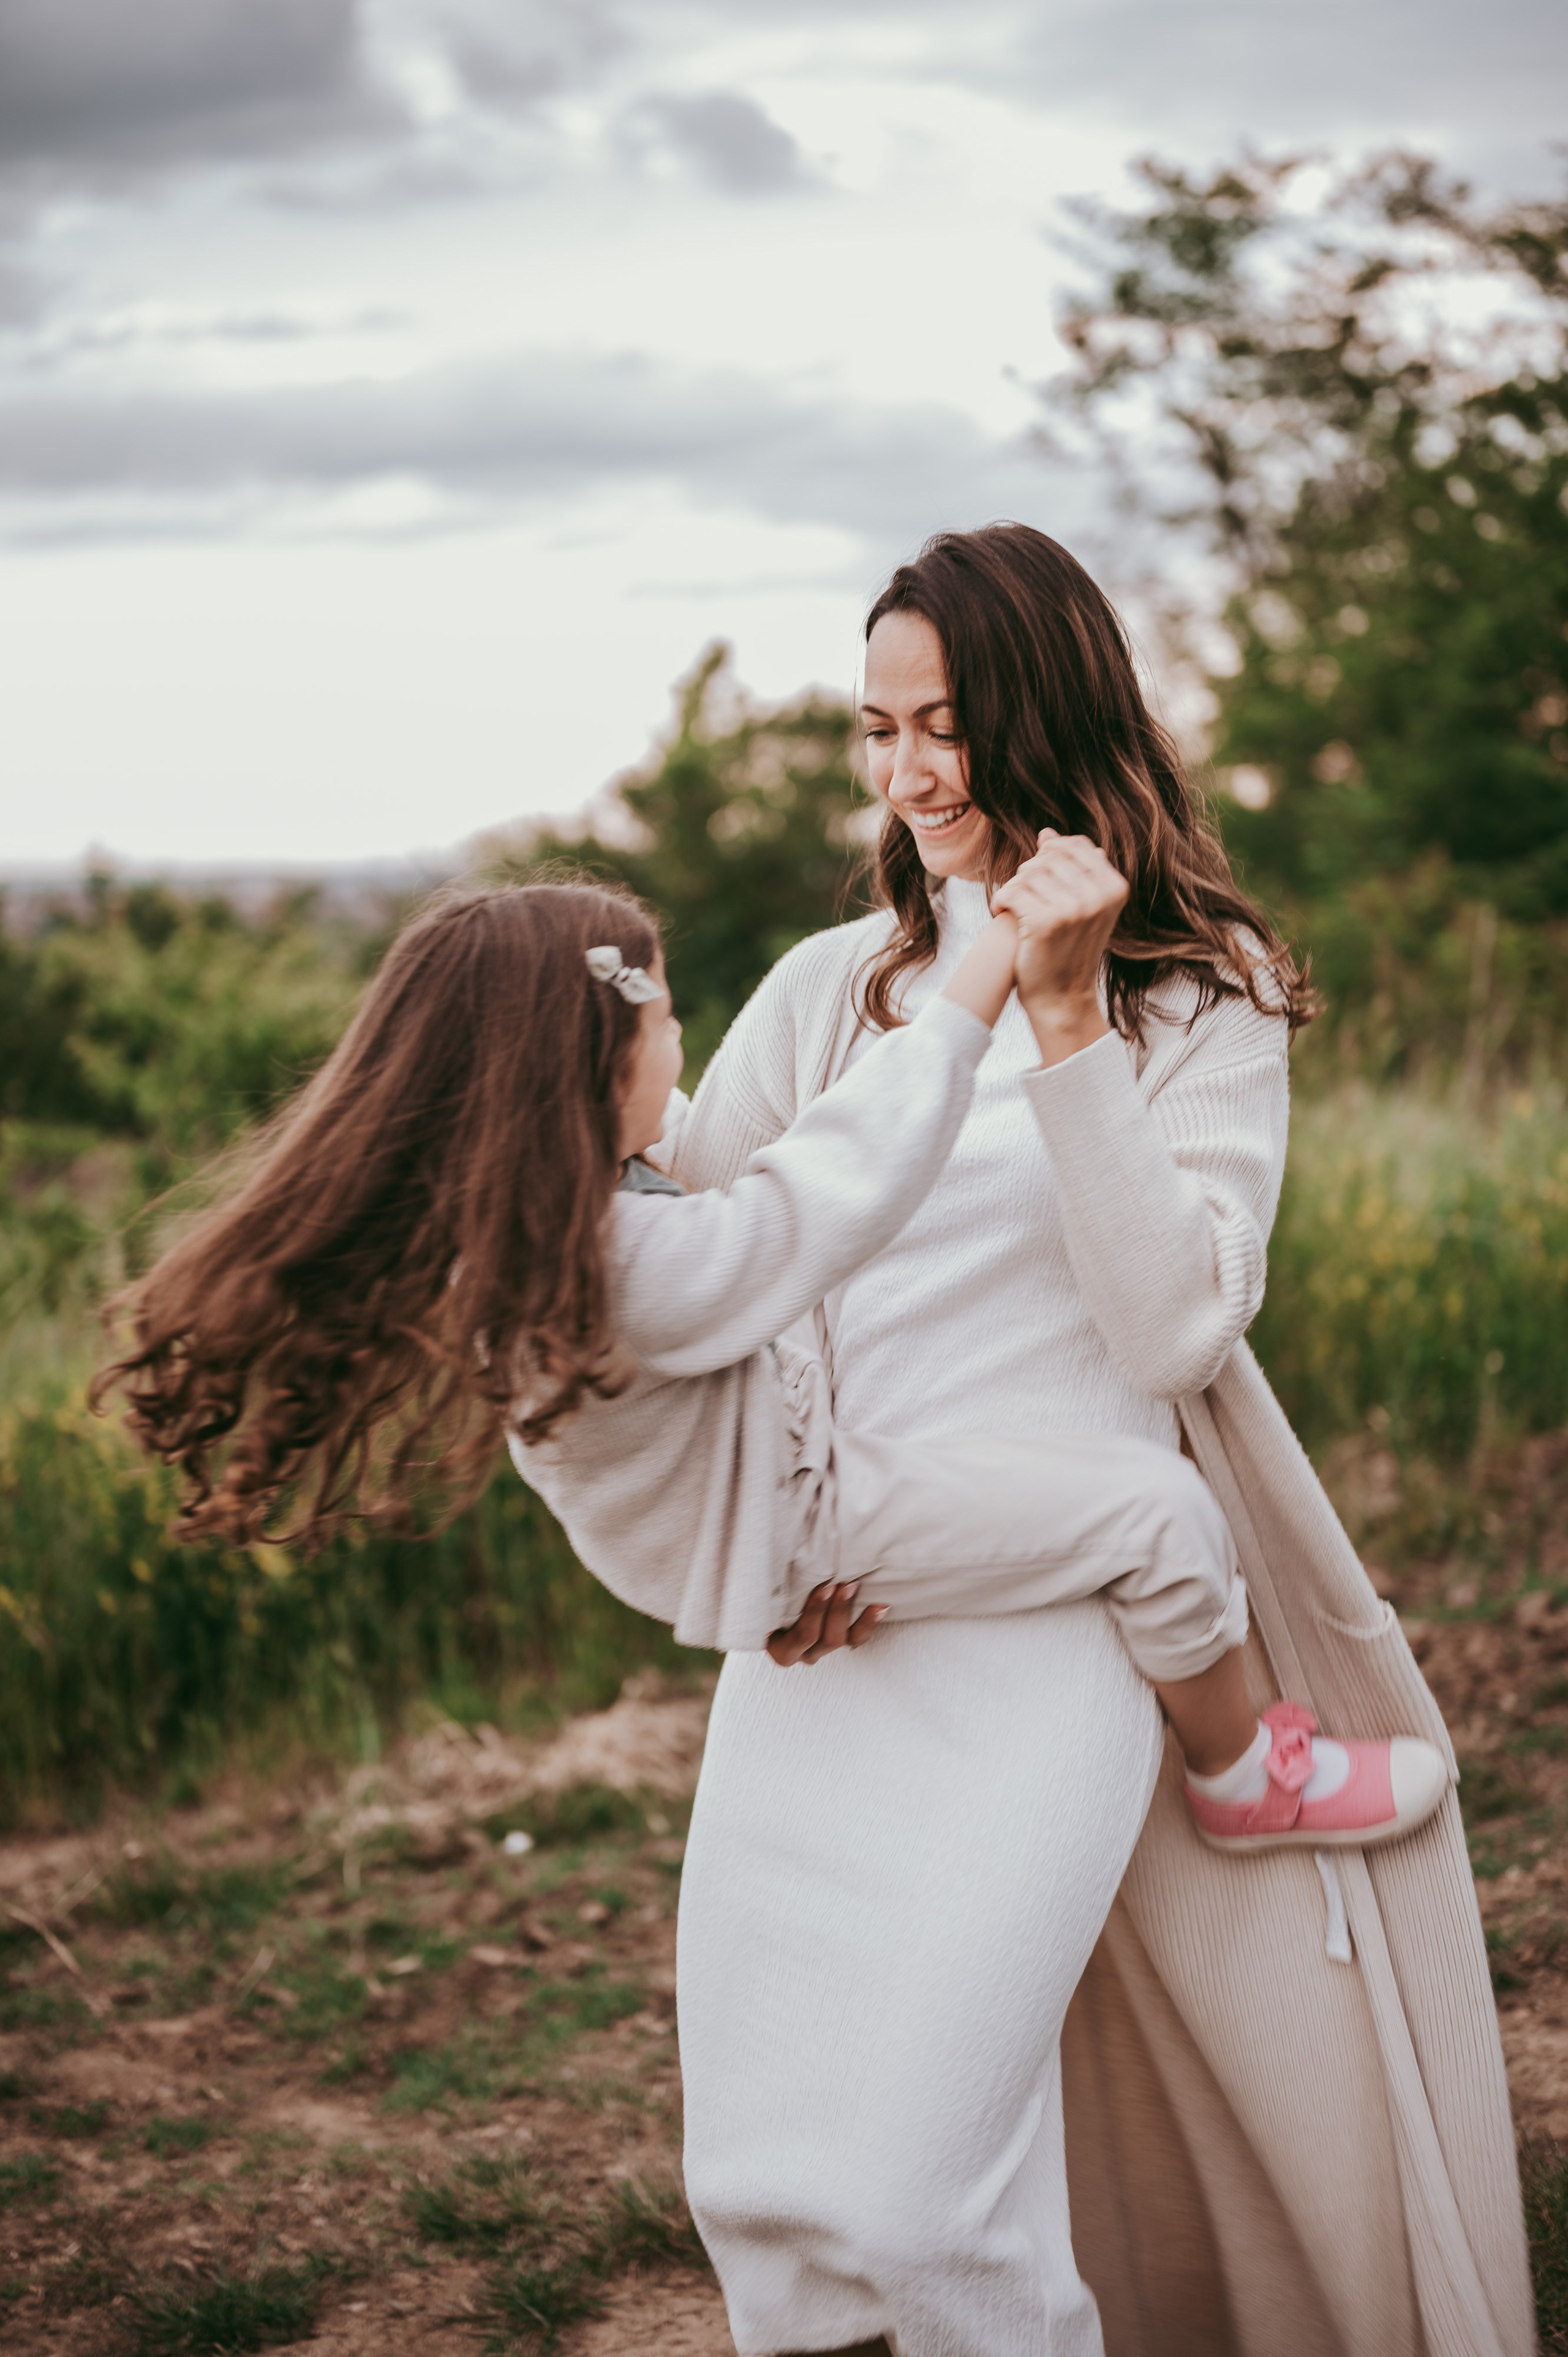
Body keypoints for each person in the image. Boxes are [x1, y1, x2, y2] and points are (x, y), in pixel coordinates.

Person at [663, 526, 1531, 2357]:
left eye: (946, 727)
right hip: (828, 1626)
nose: (905, 777)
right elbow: (700, 1267)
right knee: (766, 2184)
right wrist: (739, 1546)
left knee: (922, 2190)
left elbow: (1170, 1330)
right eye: (876, 729)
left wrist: (1064, 1024)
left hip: (1055, 1642)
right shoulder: (834, 990)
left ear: (1047, 718)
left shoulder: (1200, 998)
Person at [92, 872, 1441, 1879]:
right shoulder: (624, 1267)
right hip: (794, 1516)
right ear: (589, 1068)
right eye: (664, 1021)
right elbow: (808, 1196)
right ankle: (1242, 1770)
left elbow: (690, 1148)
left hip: (760, 1491)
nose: (682, 1046)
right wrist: (970, 990)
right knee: (1158, 1519)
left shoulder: (535, 1213)